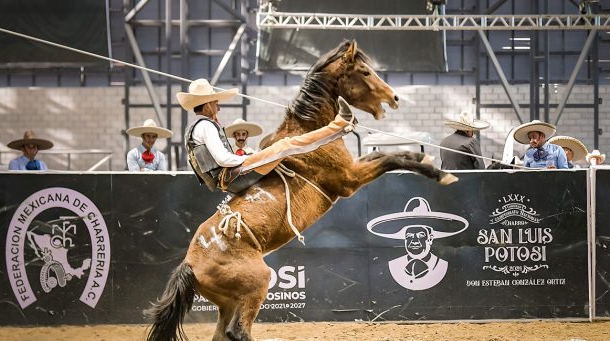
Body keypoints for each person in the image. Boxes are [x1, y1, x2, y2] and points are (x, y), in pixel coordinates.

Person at [179, 78, 355, 194]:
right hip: (233, 176)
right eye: (216, 103)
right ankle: (340, 125)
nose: (218, 108)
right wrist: (253, 158)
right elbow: (223, 159)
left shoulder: (197, 127)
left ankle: (338, 126)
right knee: (285, 145)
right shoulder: (206, 126)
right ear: (208, 105)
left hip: (229, 178)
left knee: (283, 146)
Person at [366, 197, 468, 291]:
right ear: (405, 239)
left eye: (420, 235)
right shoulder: (394, 265)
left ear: (430, 238)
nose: (414, 241)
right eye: (410, 236)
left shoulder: (442, 266)